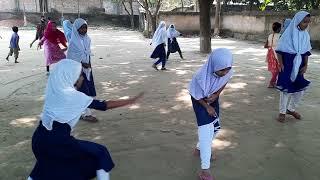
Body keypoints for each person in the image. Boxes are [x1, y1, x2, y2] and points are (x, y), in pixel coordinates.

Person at [27, 59, 143, 180]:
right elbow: (104, 106)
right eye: (80, 75)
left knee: (47, 165)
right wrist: (130, 101)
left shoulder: (54, 90)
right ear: (73, 77)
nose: (83, 77)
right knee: (100, 153)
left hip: (38, 140)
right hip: (58, 141)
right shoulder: (75, 97)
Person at [189, 48, 233, 180]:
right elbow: (194, 93)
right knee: (205, 131)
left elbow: (225, 81)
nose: (225, 72)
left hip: (212, 98)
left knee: (215, 128)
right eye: (221, 70)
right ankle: (205, 170)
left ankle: (199, 149)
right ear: (213, 66)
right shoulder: (199, 77)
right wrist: (206, 106)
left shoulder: (228, 71)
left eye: (227, 69)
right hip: (199, 100)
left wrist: (216, 95)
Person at [275, 11, 312, 123]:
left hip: (299, 64)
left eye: (308, 22)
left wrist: (306, 65)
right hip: (287, 64)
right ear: (298, 21)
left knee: (300, 89)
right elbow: (280, 50)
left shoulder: (306, 35)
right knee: (286, 89)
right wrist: (280, 63)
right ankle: (282, 112)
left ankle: (290, 109)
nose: (306, 24)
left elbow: (306, 52)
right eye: (304, 22)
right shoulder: (288, 34)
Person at [67, 18, 98, 122]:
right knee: (83, 92)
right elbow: (71, 58)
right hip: (77, 72)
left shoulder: (87, 39)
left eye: (85, 28)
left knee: (84, 90)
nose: (84, 30)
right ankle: (86, 114)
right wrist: (81, 64)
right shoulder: (73, 43)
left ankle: (77, 112)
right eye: (81, 28)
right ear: (76, 29)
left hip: (87, 70)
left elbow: (87, 53)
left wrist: (88, 64)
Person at [264, 22, 281, 88]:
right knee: (278, 69)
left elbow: (265, 46)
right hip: (276, 53)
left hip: (270, 53)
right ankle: (272, 82)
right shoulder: (280, 36)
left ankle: (274, 82)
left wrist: (271, 45)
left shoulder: (270, 35)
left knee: (274, 68)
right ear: (279, 28)